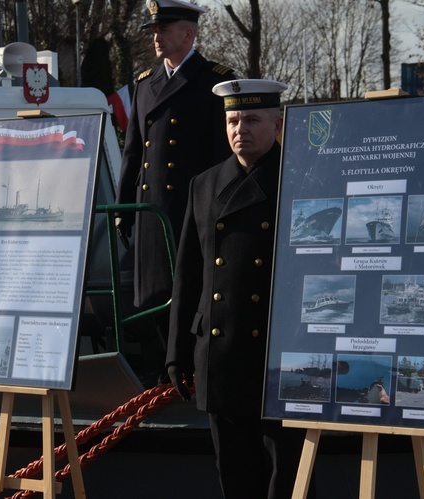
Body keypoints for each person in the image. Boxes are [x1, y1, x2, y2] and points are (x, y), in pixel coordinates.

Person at [166, 79, 303, 498]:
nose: (240, 128)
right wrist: (177, 352)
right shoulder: (204, 184)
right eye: (233, 119)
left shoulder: (300, 178)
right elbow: (189, 273)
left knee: (288, 475)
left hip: (278, 355)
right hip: (221, 353)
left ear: (277, 124)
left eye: (252, 119)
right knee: (236, 472)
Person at [115, 0, 236, 381]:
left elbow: (222, 152)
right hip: (152, 210)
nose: (156, 37)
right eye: (154, 31)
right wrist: (123, 207)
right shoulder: (144, 83)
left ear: (188, 32)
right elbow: (133, 150)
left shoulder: (213, 80)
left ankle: (185, 372)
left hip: (189, 209)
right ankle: (160, 378)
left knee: (187, 295)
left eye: (164, 30)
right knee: (151, 299)